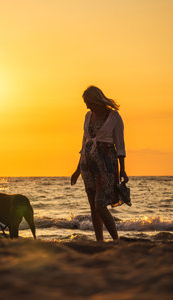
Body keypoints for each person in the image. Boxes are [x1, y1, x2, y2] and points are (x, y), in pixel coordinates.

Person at [71, 86, 129, 241]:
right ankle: (100, 241)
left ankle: (116, 240)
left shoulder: (114, 116)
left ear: (95, 100)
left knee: (100, 204)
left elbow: (120, 145)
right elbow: (84, 143)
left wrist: (123, 170)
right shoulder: (88, 116)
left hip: (106, 164)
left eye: (88, 102)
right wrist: (77, 170)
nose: (86, 105)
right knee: (93, 206)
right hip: (87, 164)